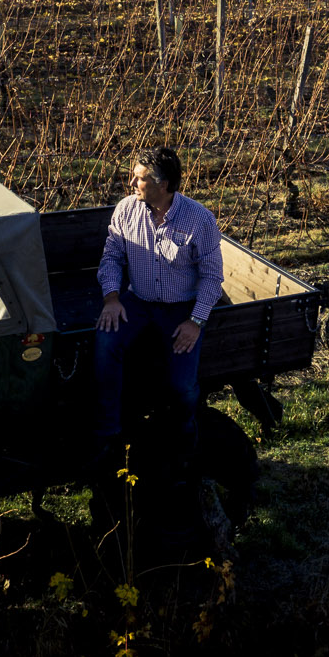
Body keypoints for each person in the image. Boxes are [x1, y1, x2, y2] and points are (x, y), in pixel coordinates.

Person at [93, 146, 222, 472]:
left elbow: (212, 277)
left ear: (162, 185)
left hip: (181, 308)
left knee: (182, 385)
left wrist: (196, 321)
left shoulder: (199, 219)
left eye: (140, 178)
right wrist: (112, 298)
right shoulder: (126, 210)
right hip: (138, 301)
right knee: (106, 343)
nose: (132, 183)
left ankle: (185, 440)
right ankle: (109, 434)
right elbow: (112, 257)